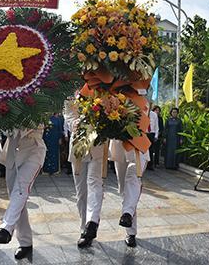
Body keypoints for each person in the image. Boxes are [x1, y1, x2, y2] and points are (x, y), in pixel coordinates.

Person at [0, 127, 46, 260]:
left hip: (33, 149)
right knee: (16, 198)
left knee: (21, 189)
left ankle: (6, 228)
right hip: (12, 153)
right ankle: (25, 243)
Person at [63, 97, 105, 248]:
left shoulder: (100, 85)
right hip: (78, 145)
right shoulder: (71, 92)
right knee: (81, 192)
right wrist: (73, 123)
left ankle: (91, 224)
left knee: (94, 183)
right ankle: (84, 228)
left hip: (97, 144)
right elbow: (68, 113)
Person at [109, 140, 149, 247]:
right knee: (124, 190)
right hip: (119, 147)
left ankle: (128, 220)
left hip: (138, 146)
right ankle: (129, 224)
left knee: (133, 179)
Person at [146, 105, 159, 170]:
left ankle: (150, 165)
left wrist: (156, 135)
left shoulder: (154, 114)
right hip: (144, 133)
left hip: (151, 133)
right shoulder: (142, 112)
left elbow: (157, 126)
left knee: (151, 150)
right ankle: (143, 164)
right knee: (144, 150)